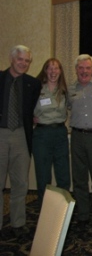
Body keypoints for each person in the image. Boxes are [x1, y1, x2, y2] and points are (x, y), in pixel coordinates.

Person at [0, 45, 41, 238]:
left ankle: (18, 223)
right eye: (20, 59)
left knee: (20, 183)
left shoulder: (32, 84)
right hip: (0, 134)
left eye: (27, 61)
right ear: (11, 58)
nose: (23, 63)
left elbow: (32, 109)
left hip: (21, 136)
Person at [68, 54, 92, 231]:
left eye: (87, 68)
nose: (84, 71)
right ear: (76, 69)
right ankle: (82, 215)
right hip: (76, 137)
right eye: (81, 68)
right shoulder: (69, 89)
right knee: (79, 179)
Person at [32, 58, 70, 206]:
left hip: (60, 133)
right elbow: (25, 107)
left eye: (56, 68)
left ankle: (63, 209)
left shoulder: (65, 91)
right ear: (45, 70)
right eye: (50, 68)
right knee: (43, 175)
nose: (53, 72)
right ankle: (44, 208)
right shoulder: (37, 89)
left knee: (63, 174)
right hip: (42, 135)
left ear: (60, 71)